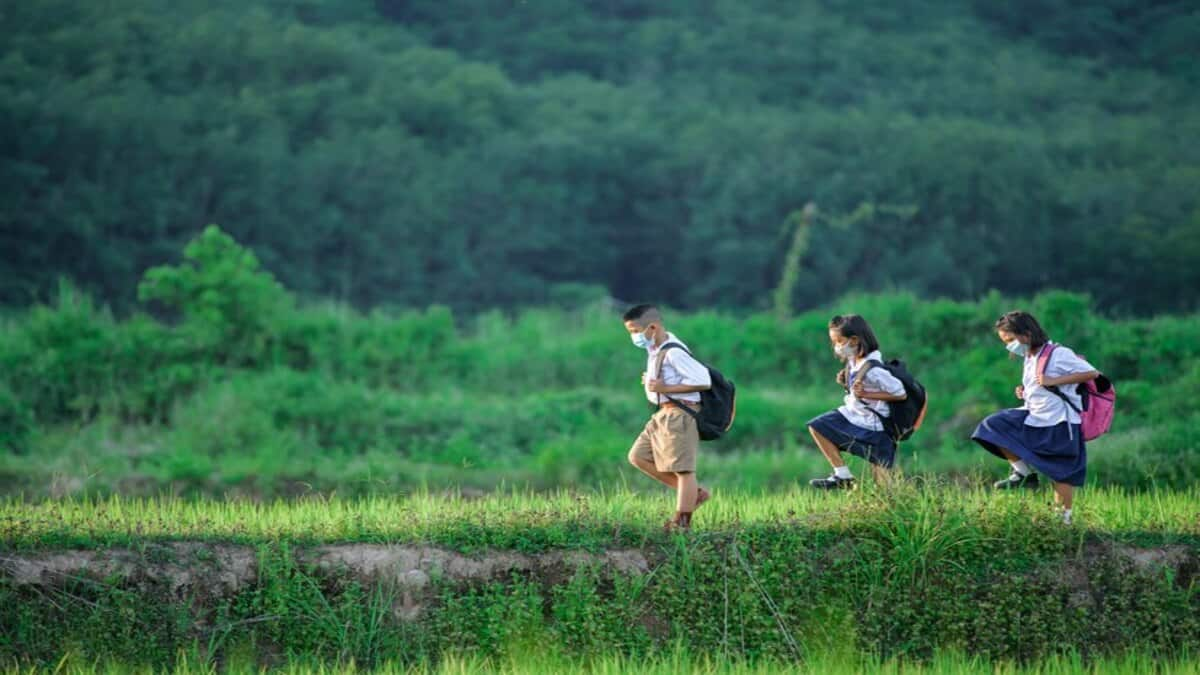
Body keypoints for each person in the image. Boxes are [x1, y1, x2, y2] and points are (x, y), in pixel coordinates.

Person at [972, 311, 1098, 524]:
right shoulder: (1030, 357)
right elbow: (1038, 383)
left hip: (1060, 421)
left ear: (1027, 334)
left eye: (1011, 340)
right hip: (1035, 415)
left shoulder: (1058, 353)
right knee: (993, 426)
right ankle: (1024, 474)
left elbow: (1092, 373)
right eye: (1005, 342)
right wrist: (1024, 390)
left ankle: (1063, 520)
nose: (1009, 346)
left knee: (1062, 472)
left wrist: (1053, 380)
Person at [623, 304, 712, 530]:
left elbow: (703, 380)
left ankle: (681, 524)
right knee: (637, 456)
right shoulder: (654, 349)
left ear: (653, 327)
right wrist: (653, 382)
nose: (634, 337)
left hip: (680, 413)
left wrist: (665, 387)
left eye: (635, 331)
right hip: (663, 413)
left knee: (683, 470)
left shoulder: (674, 351)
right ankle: (695, 495)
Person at [806, 314, 907, 489]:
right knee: (817, 426)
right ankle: (842, 475)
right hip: (855, 415)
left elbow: (900, 393)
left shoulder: (873, 368)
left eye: (839, 341)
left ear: (853, 340)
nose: (837, 347)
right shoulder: (854, 361)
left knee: (884, 486)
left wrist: (868, 394)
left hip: (874, 425)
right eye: (834, 342)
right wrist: (846, 382)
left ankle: (896, 508)